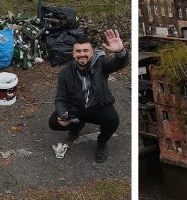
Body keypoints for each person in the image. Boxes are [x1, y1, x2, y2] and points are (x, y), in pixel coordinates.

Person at [49, 30, 128, 163]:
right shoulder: (65, 72)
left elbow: (118, 64)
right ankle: (77, 125)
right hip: (77, 108)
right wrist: (62, 114)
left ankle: (101, 144)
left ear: (92, 52)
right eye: (78, 51)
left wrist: (120, 52)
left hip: (99, 106)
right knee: (54, 122)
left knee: (112, 120)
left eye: (86, 50)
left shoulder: (101, 63)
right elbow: (61, 97)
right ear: (73, 54)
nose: (82, 54)